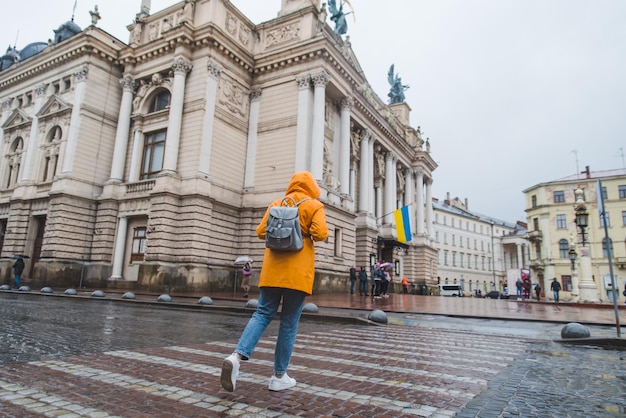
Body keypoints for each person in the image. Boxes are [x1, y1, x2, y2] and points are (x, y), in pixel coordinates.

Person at [220, 171, 328, 393]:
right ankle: (279, 376)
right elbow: (322, 233)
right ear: (311, 186)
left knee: (261, 314)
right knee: (288, 324)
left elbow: (261, 232)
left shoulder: (277, 203)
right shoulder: (314, 205)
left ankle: (236, 357)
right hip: (297, 275)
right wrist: (303, 229)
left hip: (271, 272)